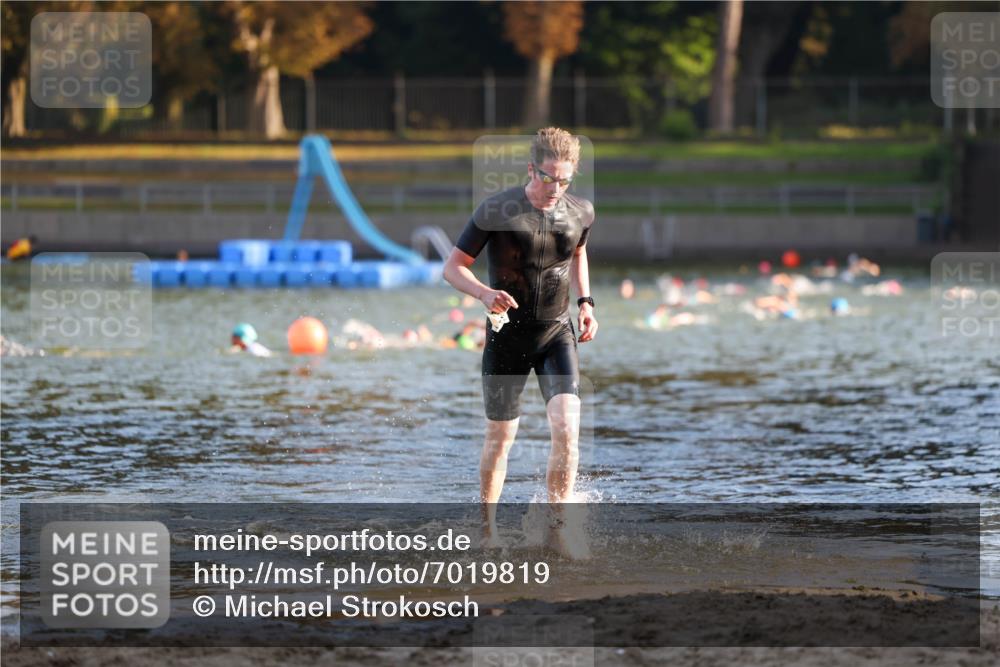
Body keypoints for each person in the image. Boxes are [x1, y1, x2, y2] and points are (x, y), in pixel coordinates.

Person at [442, 127, 597, 557]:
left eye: (564, 180)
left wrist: (586, 302)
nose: (555, 188)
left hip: (555, 334)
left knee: (567, 428)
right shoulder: (497, 210)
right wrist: (484, 294)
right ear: (532, 169)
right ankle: (487, 530)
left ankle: (558, 527)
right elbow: (453, 268)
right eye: (548, 178)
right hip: (506, 336)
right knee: (500, 438)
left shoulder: (581, 211)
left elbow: (578, 251)